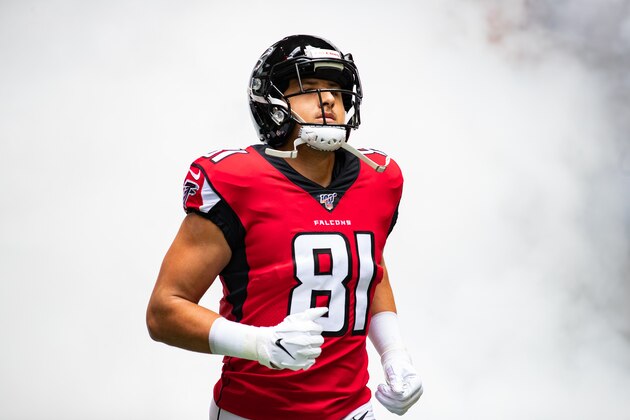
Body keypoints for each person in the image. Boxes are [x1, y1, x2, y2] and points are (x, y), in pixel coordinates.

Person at [146, 34, 423, 420]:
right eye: (308, 88)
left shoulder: (380, 178)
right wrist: (258, 343)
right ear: (271, 103)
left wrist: (394, 352)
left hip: (352, 410)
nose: (328, 100)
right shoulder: (237, 180)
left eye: (336, 89)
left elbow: (368, 271)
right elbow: (164, 311)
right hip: (256, 411)